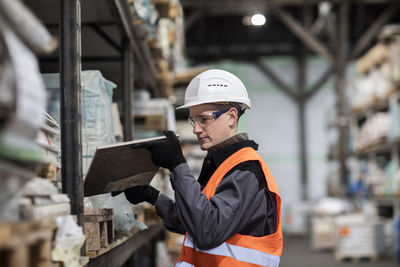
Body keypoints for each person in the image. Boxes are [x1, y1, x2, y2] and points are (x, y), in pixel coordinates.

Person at [118, 69, 283, 266]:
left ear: (231, 117)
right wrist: (152, 196)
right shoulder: (219, 163)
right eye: (193, 120)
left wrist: (178, 165)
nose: (196, 129)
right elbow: (192, 221)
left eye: (204, 119)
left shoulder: (246, 170)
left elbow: (207, 231)